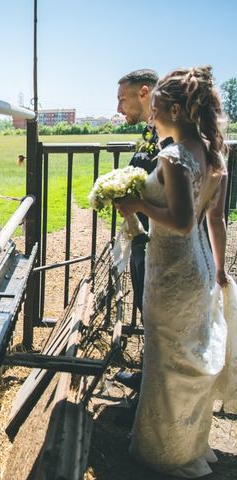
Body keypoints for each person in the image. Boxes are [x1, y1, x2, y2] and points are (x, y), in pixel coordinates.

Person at [114, 65, 230, 477]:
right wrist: (220, 269)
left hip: (172, 269)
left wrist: (138, 206)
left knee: (168, 362)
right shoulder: (214, 153)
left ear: (176, 110)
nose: (152, 112)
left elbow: (180, 221)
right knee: (186, 360)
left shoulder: (174, 155)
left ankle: (166, 453)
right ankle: (189, 443)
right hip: (197, 266)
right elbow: (213, 220)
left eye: (157, 105)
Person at [114, 69, 160, 392]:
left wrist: (137, 204)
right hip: (143, 237)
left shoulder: (166, 134)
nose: (119, 108)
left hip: (159, 240)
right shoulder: (150, 132)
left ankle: (153, 391)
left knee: (157, 318)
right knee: (147, 312)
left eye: (122, 99)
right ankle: (147, 379)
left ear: (143, 93)